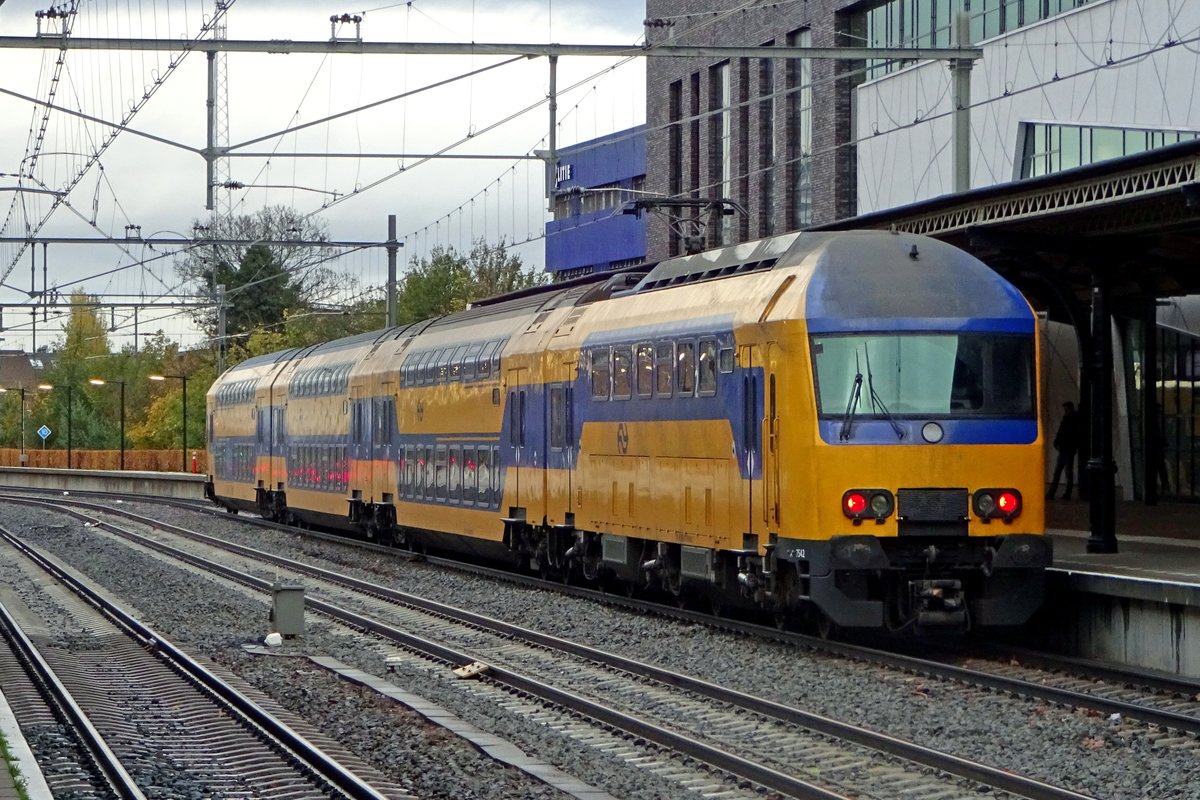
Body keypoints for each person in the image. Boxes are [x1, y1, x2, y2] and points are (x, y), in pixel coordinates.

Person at [1047, 401, 1082, 500]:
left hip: (1066, 449)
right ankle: (1064, 494)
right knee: (1066, 473)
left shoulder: (1069, 419)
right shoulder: (1070, 418)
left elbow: (1063, 432)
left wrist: (1057, 442)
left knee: (1062, 472)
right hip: (1066, 449)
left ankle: (1055, 493)